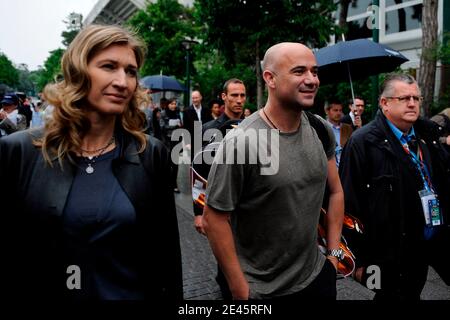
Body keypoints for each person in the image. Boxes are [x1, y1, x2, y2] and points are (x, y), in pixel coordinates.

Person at [0, 24, 182, 301]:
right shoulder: (18, 152)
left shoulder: (150, 153)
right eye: (109, 66)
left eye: (130, 71)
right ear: (78, 71)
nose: (123, 82)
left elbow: (166, 257)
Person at [203, 42, 344, 300]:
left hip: (317, 279)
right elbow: (214, 219)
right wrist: (240, 290)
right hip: (261, 292)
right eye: (299, 71)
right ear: (270, 78)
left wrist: (333, 259)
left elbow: (335, 192)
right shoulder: (242, 141)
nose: (312, 79)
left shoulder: (321, 130)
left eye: (315, 71)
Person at [339, 73, 450, 300]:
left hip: (429, 239)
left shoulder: (426, 136)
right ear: (385, 103)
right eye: (404, 98)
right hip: (389, 251)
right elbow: (349, 203)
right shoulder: (363, 142)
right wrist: (358, 261)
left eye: (416, 98)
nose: (412, 103)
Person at [160, 98, 183, 193]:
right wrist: (174, 126)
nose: (173, 106)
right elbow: (162, 126)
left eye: (174, 104)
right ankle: (165, 183)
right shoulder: (163, 113)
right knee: (167, 164)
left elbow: (181, 125)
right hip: (167, 142)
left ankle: (174, 184)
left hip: (176, 141)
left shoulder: (178, 114)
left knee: (176, 164)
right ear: (168, 104)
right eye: (171, 104)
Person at [183, 90, 213, 158]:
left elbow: (210, 124)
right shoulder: (187, 111)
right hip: (193, 140)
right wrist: (187, 143)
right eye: (193, 98)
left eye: (196, 98)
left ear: (200, 98)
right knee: (195, 160)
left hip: (205, 139)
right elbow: (186, 128)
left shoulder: (207, 110)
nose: (195, 100)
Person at [324, 100, 353, 167]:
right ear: (327, 111)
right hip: (329, 169)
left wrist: (359, 128)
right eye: (335, 110)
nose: (339, 113)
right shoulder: (322, 128)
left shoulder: (348, 128)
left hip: (345, 169)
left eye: (340, 110)